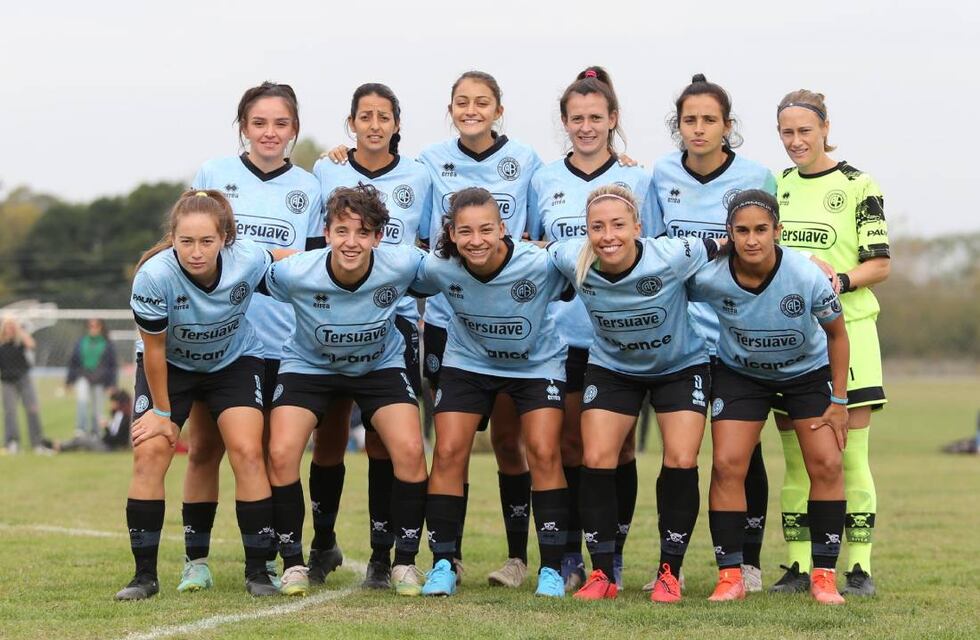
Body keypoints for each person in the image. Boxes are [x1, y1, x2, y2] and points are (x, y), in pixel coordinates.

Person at [179, 82, 324, 594]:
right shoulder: (213, 175)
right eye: (259, 122)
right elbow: (188, 250)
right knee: (204, 449)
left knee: (267, 455)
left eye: (280, 123)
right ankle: (195, 561)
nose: (269, 133)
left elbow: (313, 266)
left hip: (283, 342)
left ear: (294, 129)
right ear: (243, 126)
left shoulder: (309, 187)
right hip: (220, 342)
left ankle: (270, 561)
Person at [549, 185, 715, 602]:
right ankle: (602, 573)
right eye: (597, 227)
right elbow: (531, 252)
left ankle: (668, 573)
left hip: (680, 367)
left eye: (618, 225)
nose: (608, 236)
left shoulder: (672, 254)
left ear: (638, 227)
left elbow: (730, 246)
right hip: (613, 369)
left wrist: (809, 263)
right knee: (596, 458)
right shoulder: (570, 257)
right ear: (586, 231)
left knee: (681, 459)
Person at [116, 190, 285, 600]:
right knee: (150, 451)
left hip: (234, 360)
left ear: (224, 238)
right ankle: (144, 577)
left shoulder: (247, 258)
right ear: (172, 238)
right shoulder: (153, 276)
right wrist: (161, 413)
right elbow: (154, 351)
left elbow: (286, 259)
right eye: (186, 241)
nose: (196, 252)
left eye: (207, 241)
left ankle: (259, 572)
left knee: (247, 451)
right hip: (170, 365)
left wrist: (334, 258)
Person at [644, 73, 776, 593]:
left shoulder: (756, 176)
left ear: (727, 125)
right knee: (679, 455)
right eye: (689, 120)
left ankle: (748, 562)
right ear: (677, 126)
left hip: (736, 335)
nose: (698, 129)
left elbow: (767, 254)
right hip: (680, 337)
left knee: (742, 454)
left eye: (709, 120)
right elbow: (653, 249)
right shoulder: (659, 174)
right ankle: (670, 565)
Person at [263, 185, 429, 597]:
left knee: (410, 450)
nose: (351, 242)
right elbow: (244, 267)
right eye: (341, 231)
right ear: (326, 233)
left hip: (378, 365)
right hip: (310, 365)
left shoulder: (403, 264)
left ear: (378, 237)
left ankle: (403, 561)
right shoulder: (296, 271)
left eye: (362, 232)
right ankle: (294, 562)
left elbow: (455, 266)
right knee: (281, 452)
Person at [526, 66, 653, 591]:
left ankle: (612, 554)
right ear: (565, 122)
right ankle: (572, 555)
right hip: (562, 337)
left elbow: (653, 255)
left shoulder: (638, 180)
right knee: (572, 448)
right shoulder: (543, 180)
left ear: (612, 119)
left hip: (620, 338)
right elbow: (532, 251)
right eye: (576, 118)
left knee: (620, 450)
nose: (586, 127)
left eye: (595, 117)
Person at [688, 189, 849, 605]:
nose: (752, 239)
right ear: (729, 233)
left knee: (827, 463)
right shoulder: (708, 276)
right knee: (727, 465)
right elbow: (668, 286)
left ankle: (824, 576)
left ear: (778, 231)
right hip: (741, 375)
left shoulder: (805, 275)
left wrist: (839, 401)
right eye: (742, 231)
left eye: (761, 229)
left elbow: (837, 334)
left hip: (806, 375)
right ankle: (730, 576)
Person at [417, 71, 542, 587]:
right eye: (462, 102)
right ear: (450, 109)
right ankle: (447, 559)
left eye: (482, 102)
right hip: (448, 325)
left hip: (508, 323)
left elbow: (537, 235)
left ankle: (517, 558)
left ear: (498, 109)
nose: (472, 110)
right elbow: (415, 233)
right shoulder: (428, 160)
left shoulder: (527, 160)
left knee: (510, 443)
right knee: (451, 446)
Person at [414, 187, 571, 598]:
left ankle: (551, 569)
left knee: (543, 452)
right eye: (465, 231)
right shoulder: (439, 267)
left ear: (503, 229)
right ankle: (444, 564)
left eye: (486, 229)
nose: (476, 240)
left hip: (536, 364)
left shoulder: (539, 263)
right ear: (451, 233)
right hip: (469, 363)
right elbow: (392, 270)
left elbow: (587, 261)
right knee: (448, 451)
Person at [310, 83, 432, 589]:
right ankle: (323, 543)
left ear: (397, 124)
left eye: (384, 116)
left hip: (392, 323)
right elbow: (314, 244)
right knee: (330, 435)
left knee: (385, 441)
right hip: (333, 320)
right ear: (352, 123)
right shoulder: (327, 169)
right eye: (366, 116)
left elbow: (430, 246)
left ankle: (383, 556)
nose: (375, 125)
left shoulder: (419, 176)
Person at [771, 89, 890, 596]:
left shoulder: (859, 184)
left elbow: (879, 264)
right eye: (787, 132)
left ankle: (859, 568)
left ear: (825, 128)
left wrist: (836, 280)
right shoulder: (776, 185)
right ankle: (799, 567)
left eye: (805, 130)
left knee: (850, 456)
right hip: (789, 342)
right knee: (798, 460)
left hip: (851, 333)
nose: (796, 140)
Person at [0, 317, 53, 455]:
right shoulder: (1, 344)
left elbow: (31, 344)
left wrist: (19, 329)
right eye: (7, 326)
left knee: (32, 409)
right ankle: (12, 442)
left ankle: (37, 443)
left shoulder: (20, 342)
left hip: (24, 379)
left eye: (12, 326)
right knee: (10, 412)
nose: (9, 329)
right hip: (7, 381)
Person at [66, 318, 118, 438]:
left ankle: (96, 431)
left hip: (100, 379)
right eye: (90, 326)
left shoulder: (107, 344)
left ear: (101, 327)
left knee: (97, 408)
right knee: (82, 402)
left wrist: (112, 384)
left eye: (96, 326)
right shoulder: (81, 342)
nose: (93, 329)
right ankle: (81, 429)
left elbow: (113, 366)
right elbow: (73, 362)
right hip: (83, 376)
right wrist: (69, 380)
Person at [58, 389, 132, 452]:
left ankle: (60, 446)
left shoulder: (121, 416)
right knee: (83, 438)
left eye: (112, 402)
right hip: (107, 444)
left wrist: (106, 426)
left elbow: (114, 438)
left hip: (107, 447)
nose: (110, 404)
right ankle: (61, 445)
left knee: (81, 439)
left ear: (117, 403)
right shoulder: (122, 415)